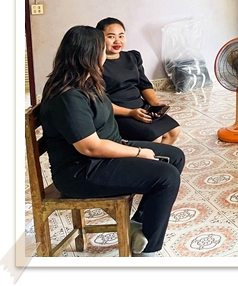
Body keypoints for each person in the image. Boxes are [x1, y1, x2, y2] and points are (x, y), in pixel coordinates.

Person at [39, 25, 185, 256]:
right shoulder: (68, 96)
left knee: (174, 156)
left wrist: (130, 122)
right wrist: (138, 152)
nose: (105, 54)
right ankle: (148, 252)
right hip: (82, 171)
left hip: (104, 154)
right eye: (102, 49)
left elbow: (104, 118)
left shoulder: (87, 80)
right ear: (89, 54)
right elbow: (90, 147)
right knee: (166, 176)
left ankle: (139, 224)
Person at [96, 18, 180, 145]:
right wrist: (130, 113)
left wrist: (155, 104)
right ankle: (149, 157)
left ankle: (158, 157)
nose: (117, 41)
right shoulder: (96, 64)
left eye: (121, 36)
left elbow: (144, 84)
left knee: (174, 131)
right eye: (111, 36)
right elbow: (100, 102)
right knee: (154, 138)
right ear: (99, 38)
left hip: (140, 107)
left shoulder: (132, 57)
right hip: (117, 113)